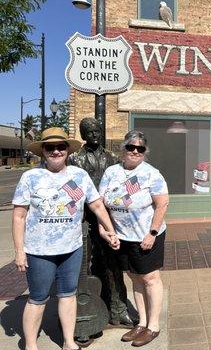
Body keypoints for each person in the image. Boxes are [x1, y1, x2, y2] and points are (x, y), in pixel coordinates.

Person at [12, 127, 119, 350]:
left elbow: (97, 204)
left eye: (61, 147)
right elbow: (19, 216)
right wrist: (20, 251)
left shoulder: (78, 176)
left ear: (67, 150)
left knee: (68, 295)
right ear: (43, 150)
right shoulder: (30, 177)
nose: (56, 151)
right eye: (50, 147)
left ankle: (69, 341)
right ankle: (31, 345)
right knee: (37, 299)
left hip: (71, 248)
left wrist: (110, 230)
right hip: (39, 251)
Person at [99, 130, 169, 347]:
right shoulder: (112, 172)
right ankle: (143, 321)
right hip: (121, 237)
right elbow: (100, 204)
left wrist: (152, 233)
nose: (135, 151)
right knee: (134, 277)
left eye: (140, 148)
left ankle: (154, 326)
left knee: (150, 278)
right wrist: (106, 230)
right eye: (131, 147)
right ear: (123, 149)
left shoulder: (151, 174)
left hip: (145, 236)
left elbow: (162, 203)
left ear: (145, 152)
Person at [68, 117, 134, 327]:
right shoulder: (74, 160)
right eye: (89, 131)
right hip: (84, 220)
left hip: (108, 219)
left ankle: (118, 310)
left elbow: (123, 185)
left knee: (113, 265)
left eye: (97, 131)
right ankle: (86, 310)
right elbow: (70, 191)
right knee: (83, 266)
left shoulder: (113, 158)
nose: (94, 135)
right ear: (82, 135)